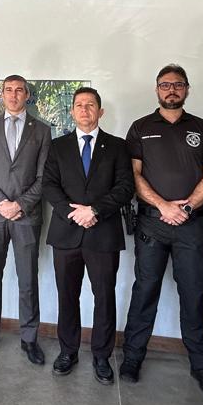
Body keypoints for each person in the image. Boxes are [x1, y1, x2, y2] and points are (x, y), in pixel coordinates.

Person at [120, 65, 203, 393]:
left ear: (187, 89)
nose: (171, 90)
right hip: (152, 223)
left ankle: (202, 366)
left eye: (178, 85)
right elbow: (133, 175)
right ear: (157, 90)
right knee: (144, 291)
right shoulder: (140, 128)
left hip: (192, 225)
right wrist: (164, 206)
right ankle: (132, 358)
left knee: (194, 294)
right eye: (165, 85)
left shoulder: (202, 128)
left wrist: (186, 207)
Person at [42, 88, 135, 385]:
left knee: (104, 297)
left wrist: (94, 210)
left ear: (100, 111)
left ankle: (101, 356)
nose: (84, 110)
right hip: (66, 233)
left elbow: (125, 187)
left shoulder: (118, 146)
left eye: (90, 105)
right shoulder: (57, 146)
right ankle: (67, 351)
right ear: (72, 112)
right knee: (67, 295)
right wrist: (74, 213)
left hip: (103, 233)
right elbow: (49, 186)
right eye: (79, 105)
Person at [0, 75, 50, 364]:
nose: (13, 95)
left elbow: (44, 177)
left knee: (28, 278)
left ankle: (29, 338)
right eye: (8, 90)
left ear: (27, 95)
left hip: (26, 216)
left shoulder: (42, 130)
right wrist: (1, 203)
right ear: (1, 95)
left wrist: (20, 205)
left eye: (19, 90)